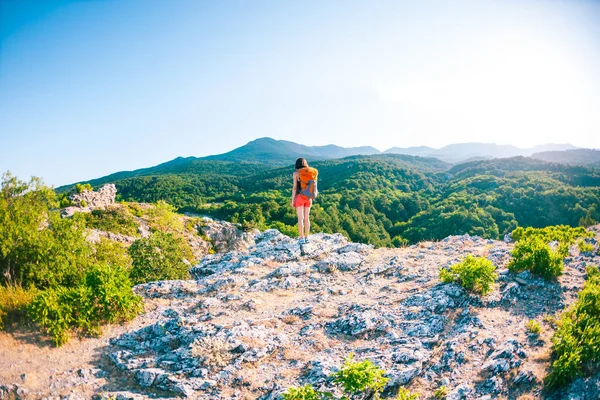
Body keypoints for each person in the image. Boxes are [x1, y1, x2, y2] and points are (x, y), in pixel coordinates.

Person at [292, 157, 313, 244]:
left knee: (300, 218)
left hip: (300, 197)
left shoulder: (296, 173)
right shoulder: (311, 172)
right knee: (307, 218)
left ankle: (301, 239)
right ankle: (307, 238)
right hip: (308, 197)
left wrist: (293, 199)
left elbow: (295, 187)